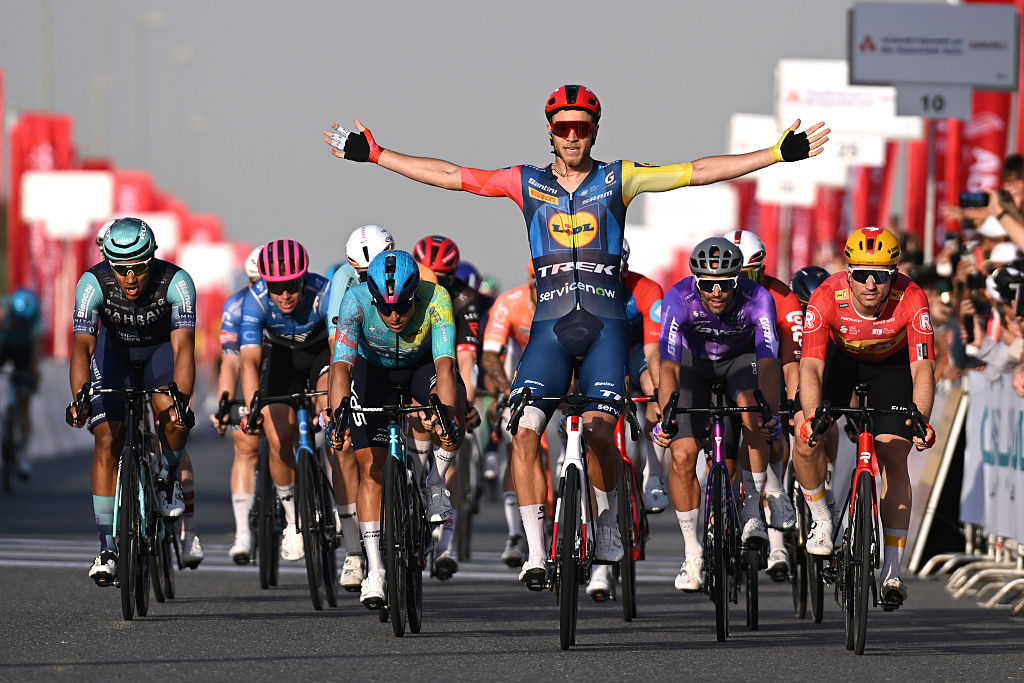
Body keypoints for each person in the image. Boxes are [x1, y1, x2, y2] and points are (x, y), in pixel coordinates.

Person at [324, 84, 829, 588]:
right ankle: (536, 553)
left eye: (581, 128)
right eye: (563, 128)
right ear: (551, 133)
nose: (572, 136)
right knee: (523, 433)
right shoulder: (524, 182)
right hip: (550, 329)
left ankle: (607, 522)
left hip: (605, 330)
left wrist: (775, 154)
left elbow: (695, 172)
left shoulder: (619, 177)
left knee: (597, 432)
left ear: (594, 132)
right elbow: (454, 176)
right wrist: (376, 154)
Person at [793, 226, 936, 607]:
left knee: (893, 453)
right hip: (840, 365)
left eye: (882, 276)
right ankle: (822, 517)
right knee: (804, 437)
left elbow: (923, 369)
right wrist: (812, 418)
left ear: (895, 273)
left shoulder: (912, 297)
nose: (871, 284)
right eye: (861, 274)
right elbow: (810, 367)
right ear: (848, 271)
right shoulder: (825, 297)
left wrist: (921, 418)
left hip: (891, 369)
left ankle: (892, 571)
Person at [326, 250, 464, 608]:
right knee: (370, 468)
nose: (394, 316)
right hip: (373, 373)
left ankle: (434, 481)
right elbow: (340, 368)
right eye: (385, 309)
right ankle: (375, 570)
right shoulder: (354, 301)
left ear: (415, 293)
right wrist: (337, 413)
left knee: (451, 404)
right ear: (371, 297)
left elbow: (446, 365)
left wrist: (446, 418)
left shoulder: (437, 299)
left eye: (402, 306)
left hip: (421, 368)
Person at [67, 217, 196, 586]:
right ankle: (107, 548)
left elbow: (184, 347)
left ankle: (168, 478)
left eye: (139, 267)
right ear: (108, 263)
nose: (130, 278)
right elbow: (82, 345)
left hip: (159, 352)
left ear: (152, 258)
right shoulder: (92, 283)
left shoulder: (177, 282)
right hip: (115, 353)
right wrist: (80, 397)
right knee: (108, 438)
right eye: (121, 270)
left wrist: (181, 401)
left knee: (173, 418)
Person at [654, 236, 783, 592]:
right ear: (696, 281)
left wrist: (769, 410)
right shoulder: (678, 298)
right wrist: (667, 414)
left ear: (737, 279)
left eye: (724, 284)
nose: (715, 292)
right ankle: (692, 553)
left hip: (740, 364)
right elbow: (668, 366)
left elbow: (769, 363)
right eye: (707, 284)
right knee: (682, 454)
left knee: (752, 413)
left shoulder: (758, 299)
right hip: (693, 367)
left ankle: (754, 512)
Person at [239, 239, 337, 564]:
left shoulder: (325, 292)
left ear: (303, 279)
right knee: (278, 434)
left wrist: (336, 399)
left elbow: (340, 354)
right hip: (281, 357)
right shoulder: (254, 301)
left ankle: (334, 491)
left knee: (330, 406)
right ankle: (293, 519)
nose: (284, 295)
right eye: (276, 287)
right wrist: (255, 404)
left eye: (291, 286)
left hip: (320, 352)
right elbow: (250, 360)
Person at [586, 237, 666, 601]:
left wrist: (656, 390)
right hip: (598, 350)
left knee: (654, 382)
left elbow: (654, 350)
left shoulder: (646, 289)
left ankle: (653, 472)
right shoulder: (582, 285)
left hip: (637, 351)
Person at [723, 229, 802, 581]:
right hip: (726, 370)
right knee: (720, 453)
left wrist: (796, 404)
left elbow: (792, 360)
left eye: (750, 277)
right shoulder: (714, 292)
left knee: (771, 435)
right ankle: (717, 520)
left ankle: (778, 541)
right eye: (734, 277)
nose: (741, 286)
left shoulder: (781, 297)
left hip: (766, 369)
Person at [412, 234, 482, 580]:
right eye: (431, 275)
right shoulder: (404, 290)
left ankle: (447, 544)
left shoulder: (464, 300)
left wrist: (463, 400)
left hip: (445, 365)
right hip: (413, 366)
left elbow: (465, 359)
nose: (437, 283)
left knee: (450, 435)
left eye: (445, 277)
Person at [480, 261, 537, 568]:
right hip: (518, 377)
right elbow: (490, 354)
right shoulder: (509, 303)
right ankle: (516, 533)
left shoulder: (569, 300)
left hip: (565, 375)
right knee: (515, 445)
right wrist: (504, 391)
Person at [210, 246, 263, 564]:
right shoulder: (236, 304)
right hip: (250, 368)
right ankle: (243, 531)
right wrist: (224, 404)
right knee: (245, 446)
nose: (261, 288)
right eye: (254, 280)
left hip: (283, 367)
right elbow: (230, 363)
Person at [0, 287, 41, 479]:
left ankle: (24, 457)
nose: (20, 323)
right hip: (5, 345)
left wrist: (33, 372)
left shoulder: (35, 315)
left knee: (23, 403)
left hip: (25, 351)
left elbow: (36, 346)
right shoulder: (4, 308)